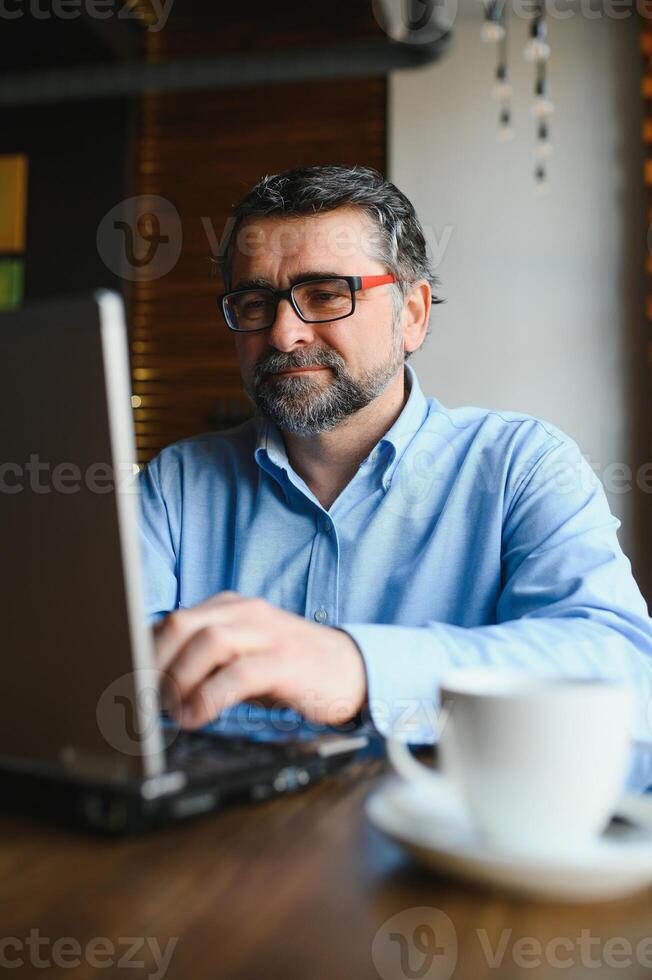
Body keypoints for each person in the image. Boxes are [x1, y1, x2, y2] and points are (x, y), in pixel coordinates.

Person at [140, 164, 652, 743]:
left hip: (435, 834)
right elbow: (102, 675)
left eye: (326, 294)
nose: (284, 334)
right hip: (213, 834)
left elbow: (625, 674)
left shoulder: (521, 467)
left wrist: (360, 668)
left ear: (412, 314)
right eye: (256, 303)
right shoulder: (175, 486)